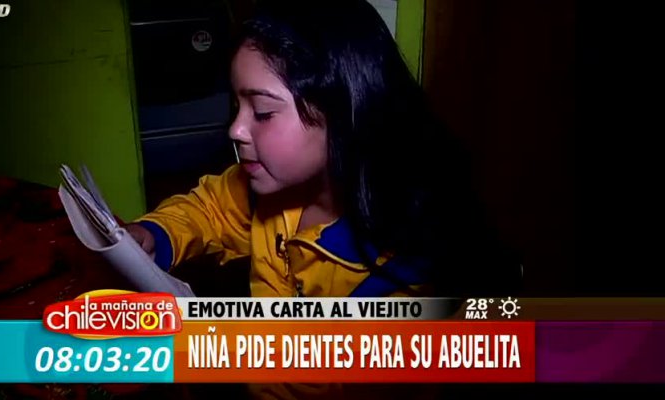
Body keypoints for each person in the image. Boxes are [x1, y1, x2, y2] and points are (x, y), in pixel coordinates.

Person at [126, 0, 520, 396]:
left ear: (346, 113)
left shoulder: (401, 282)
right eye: (236, 105)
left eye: (262, 112)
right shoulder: (268, 184)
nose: (235, 129)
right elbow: (210, 208)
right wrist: (156, 234)